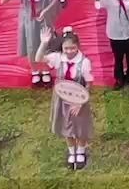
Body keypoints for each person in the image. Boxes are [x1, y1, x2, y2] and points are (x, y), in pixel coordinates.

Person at [39, 26, 94, 169]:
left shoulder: (84, 62)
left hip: (78, 99)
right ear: (62, 48)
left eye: (73, 48)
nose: (69, 52)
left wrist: (81, 103)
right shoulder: (58, 58)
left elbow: (88, 83)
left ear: (78, 47)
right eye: (66, 48)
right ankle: (71, 152)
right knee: (66, 126)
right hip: (62, 99)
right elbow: (38, 58)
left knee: (80, 127)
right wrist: (44, 43)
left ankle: (81, 151)